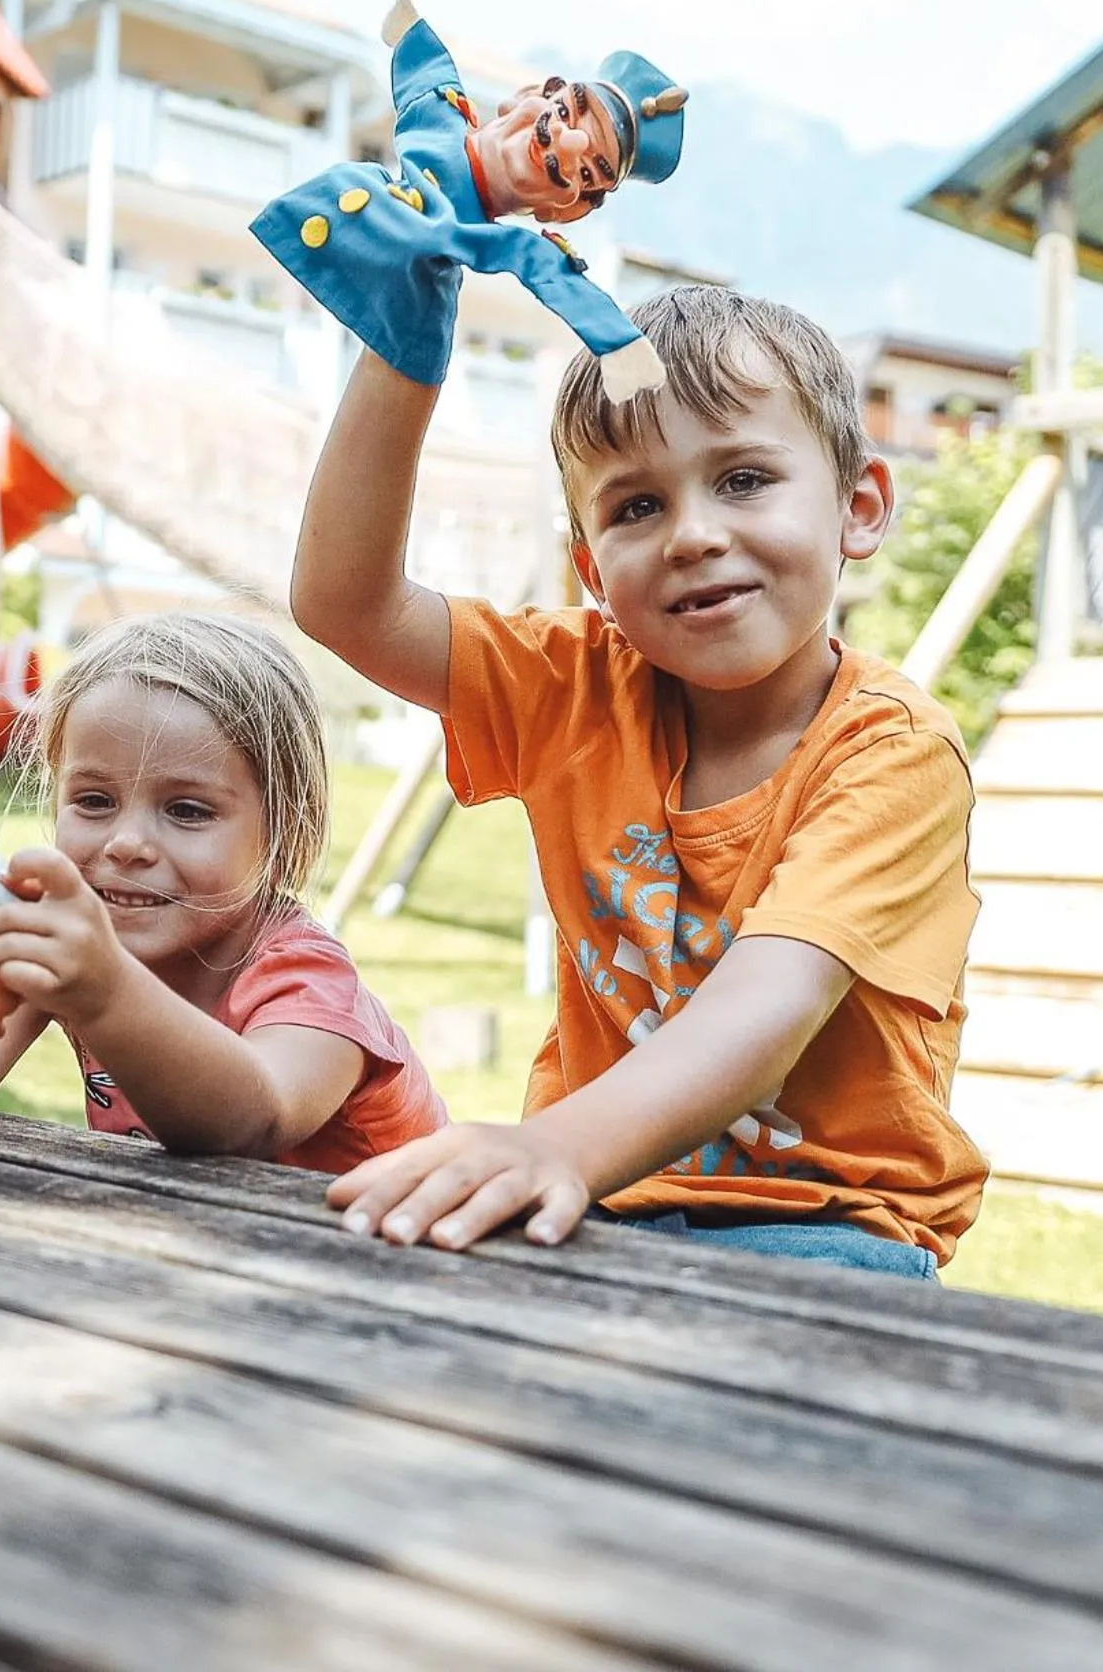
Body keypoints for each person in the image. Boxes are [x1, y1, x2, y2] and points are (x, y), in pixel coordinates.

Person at [290, 285, 985, 1276]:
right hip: (590, 1203)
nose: (691, 534)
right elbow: (341, 600)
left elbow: (764, 1011)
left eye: (743, 479)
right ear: (590, 566)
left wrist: (546, 1146)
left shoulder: (890, 752)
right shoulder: (569, 687)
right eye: (637, 506)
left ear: (856, 508)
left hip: (822, 1226)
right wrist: (403, 335)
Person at [0, 612, 447, 1174]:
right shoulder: (71, 943)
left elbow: (254, 1120)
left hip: (388, 1251)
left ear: (282, 831)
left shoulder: (307, 984)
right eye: (94, 800)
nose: (126, 844)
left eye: (187, 811)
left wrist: (106, 992)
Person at [251, 0, 687, 404]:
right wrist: (410, 30)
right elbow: (429, 78)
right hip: (328, 219)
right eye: (564, 112)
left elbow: (559, 279)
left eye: (588, 170)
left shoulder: (483, 237)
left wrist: (619, 345)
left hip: (406, 312)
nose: (564, 143)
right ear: (530, 97)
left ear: (567, 209)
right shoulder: (440, 121)